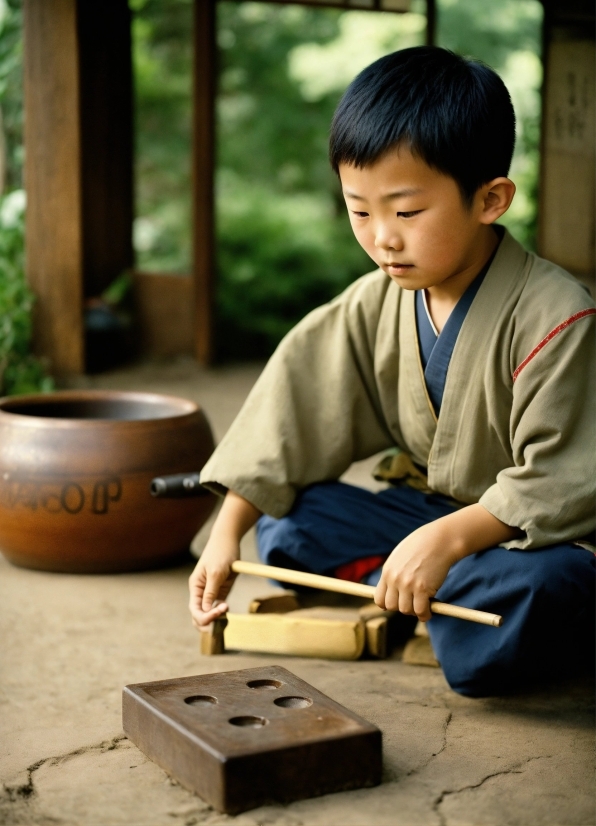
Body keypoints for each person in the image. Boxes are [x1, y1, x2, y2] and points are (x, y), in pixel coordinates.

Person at [189, 46, 595, 697]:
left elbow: (565, 482)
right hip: (427, 519)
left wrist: (451, 540)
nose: (383, 237)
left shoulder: (556, 315)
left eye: (406, 212)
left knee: (544, 591)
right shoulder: (375, 300)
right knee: (288, 523)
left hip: (527, 542)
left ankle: (433, 595)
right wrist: (225, 538)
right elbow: (289, 413)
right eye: (360, 210)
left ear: (490, 200)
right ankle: (433, 597)